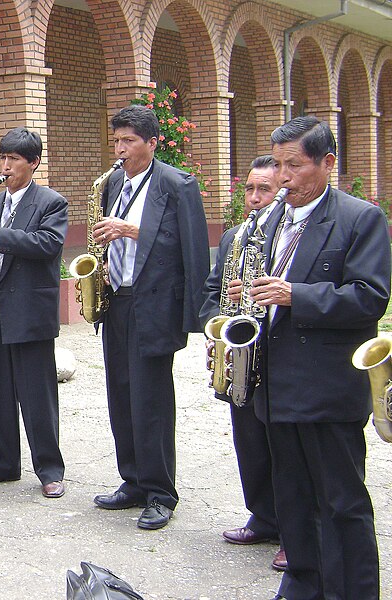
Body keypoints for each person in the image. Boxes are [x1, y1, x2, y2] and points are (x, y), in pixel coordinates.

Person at [241, 117, 389, 600]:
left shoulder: (360, 218)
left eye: (294, 166)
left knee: (342, 504)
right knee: (295, 501)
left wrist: (294, 296)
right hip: (277, 387)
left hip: (326, 390)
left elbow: (370, 298)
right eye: (278, 164)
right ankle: (303, 585)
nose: (282, 178)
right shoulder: (274, 220)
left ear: (327, 163)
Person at [90, 105, 210, 529]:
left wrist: (131, 230)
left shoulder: (177, 185)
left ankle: (161, 492)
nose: (120, 150)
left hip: (156, 304)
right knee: (120, 394)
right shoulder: (112, 186)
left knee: (152, 401)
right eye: (117, 141)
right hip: (117, 300)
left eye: (129, 142)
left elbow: (191, 248)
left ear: (153, 143)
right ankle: (133, 480)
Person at [0, 127, 67, 498]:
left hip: (30, 313)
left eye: (13, 160)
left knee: (38, 397)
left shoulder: (50, 202)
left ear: (33, 164)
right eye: (2, 158)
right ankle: (5, 463)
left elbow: (48, 244)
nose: (5, 166)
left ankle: (50, 469)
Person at [199, 155, 284, 571]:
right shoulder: (234, 236)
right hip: (241, 351)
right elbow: (210, 290)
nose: (253, 198)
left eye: (263, 190)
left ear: (281, 191)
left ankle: (294, 530)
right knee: (248, 440)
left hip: (280, 350)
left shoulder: (288, 236)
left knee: (283, 446)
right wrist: (218, 318)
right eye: (249, 189)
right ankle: (263, 517)